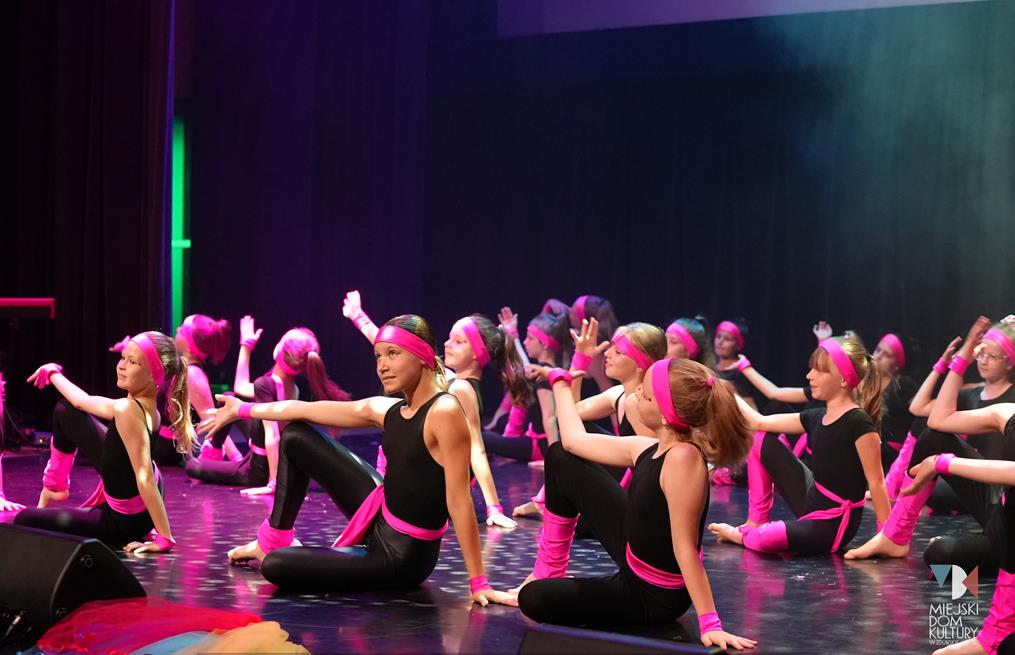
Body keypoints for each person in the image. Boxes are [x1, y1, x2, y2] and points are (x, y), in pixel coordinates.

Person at [199, 314, 517, 606]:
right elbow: (305, 409)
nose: (382, 366)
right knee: (295, 436)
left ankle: (276, 552)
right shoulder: (389, 409)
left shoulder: (444, 411)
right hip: (382, 512)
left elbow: (458, 499)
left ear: (422, 356)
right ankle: (273, 538)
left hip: (400, 556)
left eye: (392, 354)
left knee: (276, 567)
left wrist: (478, 583)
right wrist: (242, 409)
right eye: (378, 356)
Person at [515, 358, 756, 651]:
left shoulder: (684, 459)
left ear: (665, 416)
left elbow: (685, 548)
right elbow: (573, 441)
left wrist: (710, 623)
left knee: (533, 598)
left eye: (646, 394)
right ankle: (548, 568)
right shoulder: (649, 446)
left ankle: (549, 583)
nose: (637, 393)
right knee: (561, 456)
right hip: (635, 551)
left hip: (652, 595)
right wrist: (560, 383)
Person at [15, 332, 192, 552]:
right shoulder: (141, 406)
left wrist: (164, 538)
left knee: (25, 518)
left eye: (133, 362)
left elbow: (144, 477)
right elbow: (81, 402)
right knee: (65, 410)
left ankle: (58, 490)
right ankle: (55, 487)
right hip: (139, 497)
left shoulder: (127, 409)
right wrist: (52, 372)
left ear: (153, 375)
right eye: (123, 358)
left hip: (123, 520)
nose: (122, 366)